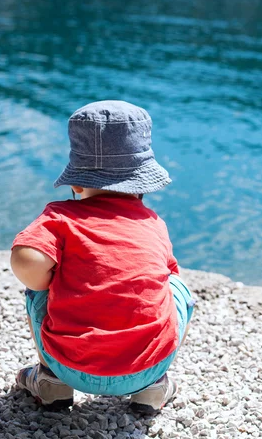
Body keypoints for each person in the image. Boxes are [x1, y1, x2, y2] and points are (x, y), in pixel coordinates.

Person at [10, 100, 194, 412]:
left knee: (37, 291)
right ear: (143, 183)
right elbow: (164, 277)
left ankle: (52, 381)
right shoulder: (153, 223)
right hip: (144, 367)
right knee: (178, 289)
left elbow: (28, 262)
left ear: (76, 181)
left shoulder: (60, 217)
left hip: (70, 364)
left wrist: (54, 277)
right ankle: (154, 388)